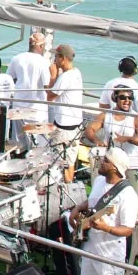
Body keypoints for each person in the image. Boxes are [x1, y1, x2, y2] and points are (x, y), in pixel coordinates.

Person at [68, 147, 138, 275]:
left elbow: (128, 229)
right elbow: (93, 201)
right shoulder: (99, 180)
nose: (101, 161)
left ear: (114, 168)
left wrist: (106, 228)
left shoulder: (128, 195)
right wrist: (79, 207)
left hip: (109, 253)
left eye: (106, 160)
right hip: (89, 247)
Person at [83, 85, 138, 157]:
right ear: (115, 98)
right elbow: (89, 130)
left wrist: (129, 139)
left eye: (130, 98)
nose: (127, 100)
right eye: (123, 98)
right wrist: (97, 141)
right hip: (109, 157)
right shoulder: (105, 115)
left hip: (129, 158)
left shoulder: (136, 118)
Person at [47, 45, 82, 183]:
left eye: (56, 56)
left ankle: (62, 187)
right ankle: (69, 186)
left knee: (57, 160)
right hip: (75, 125)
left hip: (63, 127)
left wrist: (53, 76)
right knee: (70, 161)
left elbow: (50, 96)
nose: (54, 59)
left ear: (63, 58)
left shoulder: (65, 77)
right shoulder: (76, 72)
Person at [7, 32, 53, 124]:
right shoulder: (43, 62)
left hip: (18, 108)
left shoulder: (16, 58)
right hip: (37, 112)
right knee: (37, 133)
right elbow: (47, 86)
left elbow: (9, 79)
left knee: (17, 133)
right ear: (42, 46)